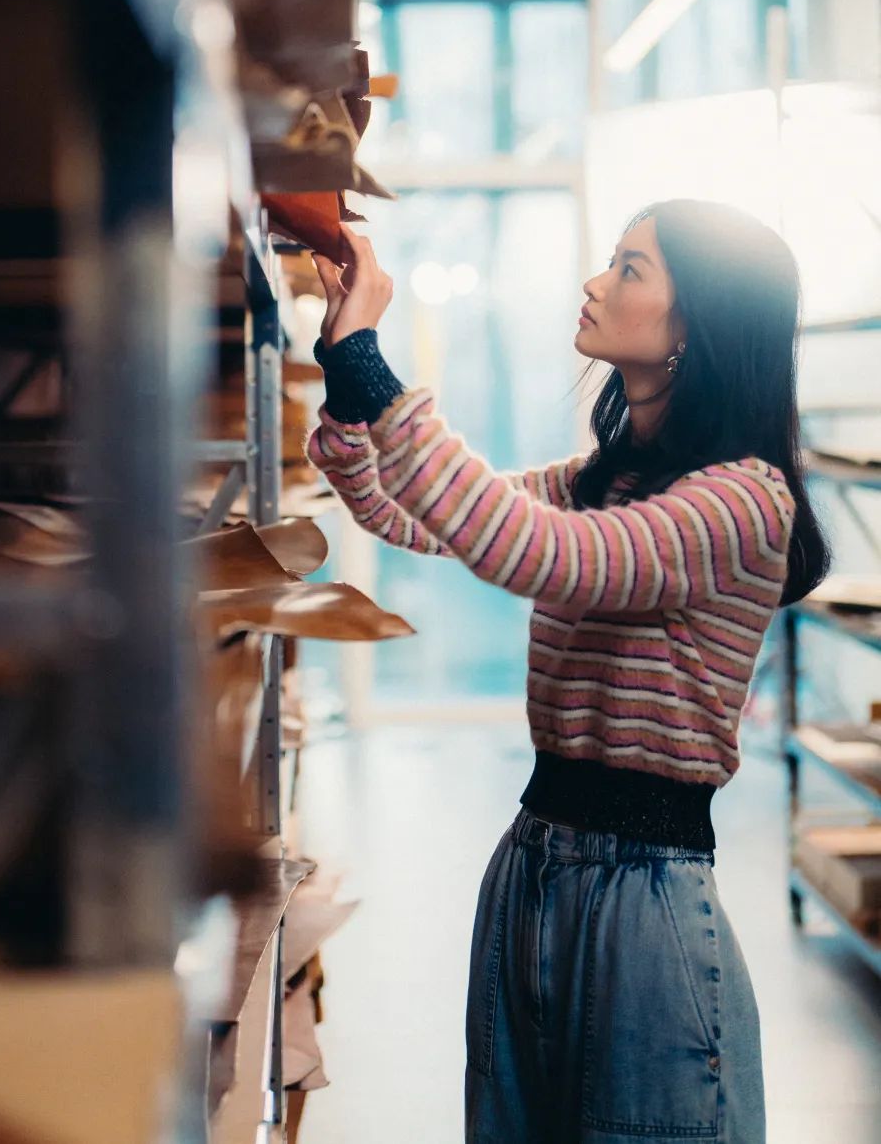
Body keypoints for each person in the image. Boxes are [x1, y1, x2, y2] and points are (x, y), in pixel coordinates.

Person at [305, 199, 831, 1144]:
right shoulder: (609, 477)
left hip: (645, 900)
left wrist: (373, 370)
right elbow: (401, 511)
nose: (594, 282)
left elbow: (545, 556)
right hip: (534, 866)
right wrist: (349, 389)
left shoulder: (744, 500)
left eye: (630, 268)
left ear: (695, 325)